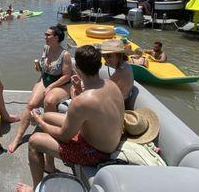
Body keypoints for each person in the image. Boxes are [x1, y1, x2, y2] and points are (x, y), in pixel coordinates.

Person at [16, 45, 124, 192]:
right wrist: (79, 90)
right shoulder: (111, 84)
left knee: (34, 141)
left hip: (96, 153)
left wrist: (39, 121)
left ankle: (35, 188)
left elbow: (64, 136)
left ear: (77, 69)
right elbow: (93, 110)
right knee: (47, 115)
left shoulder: (82, 102)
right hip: (106, 140)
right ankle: (49, 165)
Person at [8, 24, 72, 154]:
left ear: (57, 37)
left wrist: (51, 87)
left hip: (61, 83)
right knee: (31, 104)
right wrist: (39, 68)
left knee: (49, 101)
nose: (45, 37)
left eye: (48, 35)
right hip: (46, 78)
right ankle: (18, 138)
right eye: (45, 34)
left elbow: (66, 76)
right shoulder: (46, 48)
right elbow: (44, 70)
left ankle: (49, 134)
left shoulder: (65, 54)